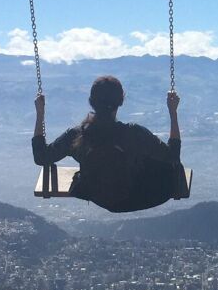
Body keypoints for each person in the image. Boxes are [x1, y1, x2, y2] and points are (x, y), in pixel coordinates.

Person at [32, 75, 188, 213]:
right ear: (120, 101)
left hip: (98, 197)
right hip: (135, 197)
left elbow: (41, 157)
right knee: (167, 165)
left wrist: (40, 114)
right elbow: (172, 155)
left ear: (91, 102)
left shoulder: (78, 135)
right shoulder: (133, 133)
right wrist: (173, 113)